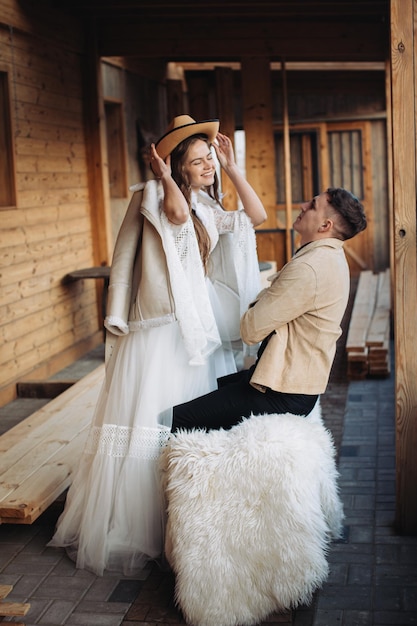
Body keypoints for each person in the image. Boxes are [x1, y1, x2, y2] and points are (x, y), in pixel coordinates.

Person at [48, 115, 267, 575]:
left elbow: (257, 216)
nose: (207, 164)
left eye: (210, 157)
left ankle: (184, 516)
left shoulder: (209, 205)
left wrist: (231, 168)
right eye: (200, 159)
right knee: (154, 414)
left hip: (197, 323)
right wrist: (165, 177)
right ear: (178, 166)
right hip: (163, 325)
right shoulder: (152, 194)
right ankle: (139, 523)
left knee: (190, 418)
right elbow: (176, 216)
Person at [171, 187, 367, 432]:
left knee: (174, 419)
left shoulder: (310, 268)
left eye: (313, 205)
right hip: (285, 383)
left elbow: (251, 330)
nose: (303, 206)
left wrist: (259, 298)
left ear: (325, 225)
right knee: (200, 386)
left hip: (281, 392)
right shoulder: (330, 257)